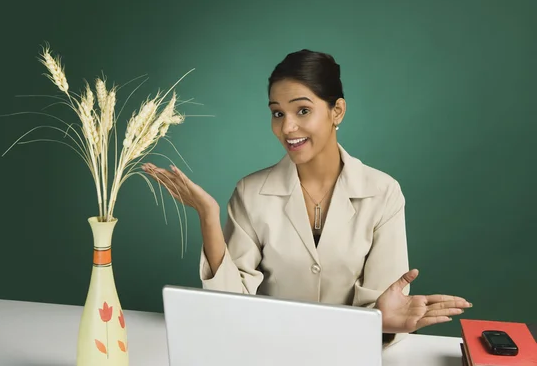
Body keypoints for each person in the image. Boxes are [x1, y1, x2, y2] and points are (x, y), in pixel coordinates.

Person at [142, 49, 472, 347]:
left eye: (302, 110)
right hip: (267, 353)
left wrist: (385, 323)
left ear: (337, 111)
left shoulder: (383, 193)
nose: (287, 128)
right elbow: (229, 306)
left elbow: (386, 314)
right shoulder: (250, 193)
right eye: (277, 113)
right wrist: (208, 216)